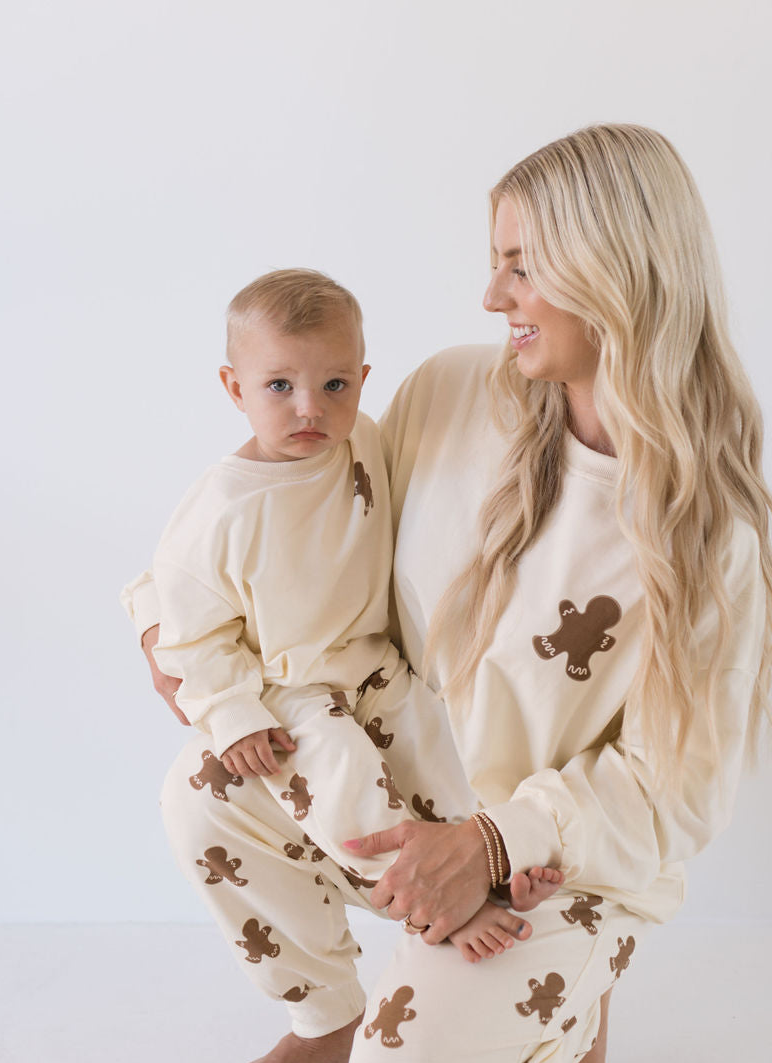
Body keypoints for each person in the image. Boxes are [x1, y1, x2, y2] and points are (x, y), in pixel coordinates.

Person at [130, 124, 772, 1063]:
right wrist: (167, 619)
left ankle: (582, 978)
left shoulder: (709, 537)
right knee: (201, 792)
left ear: (613, 267)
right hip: (404, 792)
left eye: (520, 266)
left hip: (548, 857)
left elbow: (677, 789)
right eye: (496, 264)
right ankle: (328, 1019)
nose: (493, 297)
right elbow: (314, 527)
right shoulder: (450, 394)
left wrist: (495, 838)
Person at [128, 268, 559, 982]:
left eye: (334, 385)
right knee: (348, 783)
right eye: (279, 387)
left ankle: (497, 868)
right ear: (235, 388)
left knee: (443, 758)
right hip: (292, 691)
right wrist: (233, 713)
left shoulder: (361, 441)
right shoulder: (222, 506)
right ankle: (434, 907)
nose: (310, 409)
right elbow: (189, 630)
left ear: (362, 378)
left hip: (374, 665)